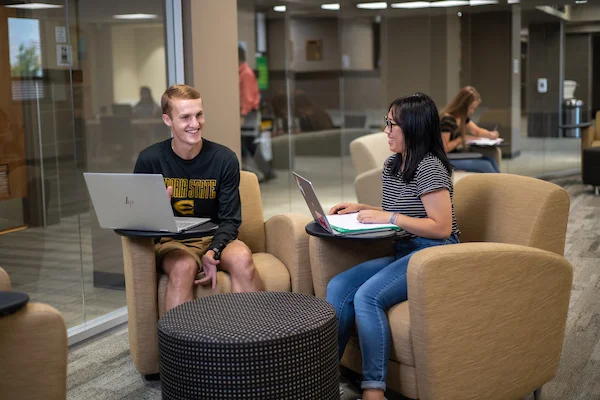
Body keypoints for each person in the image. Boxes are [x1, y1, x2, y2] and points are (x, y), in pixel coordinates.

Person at [326, 93, 460, 400]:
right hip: (405, 250)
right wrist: (362, 208)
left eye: (391, 124)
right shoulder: (393, 164)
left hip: (434, 253)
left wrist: (389, 216)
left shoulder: (429, 167)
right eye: (386, 123)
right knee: (339, 286)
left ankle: (374, 390)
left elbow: (440, 226)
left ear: (412, 127)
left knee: (367, 297)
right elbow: (403, 212)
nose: (386, 130)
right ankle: (324, 373)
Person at [133, 84, 264, 312]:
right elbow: (135, 222)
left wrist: (213, 251)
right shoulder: (150, 160)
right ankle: (177, 347)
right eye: (185, 117)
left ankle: (253, 342)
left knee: (242, 258)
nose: (195, 124)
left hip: (215, 236)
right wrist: (154, 212)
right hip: (173, 242)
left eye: (199, 115)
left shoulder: (224, 159)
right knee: (183, 267)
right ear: (167, 120)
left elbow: (230, 219)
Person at [440, 86, 501, 173]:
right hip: (447, 159)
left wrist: (490, 134)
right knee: (485, 165)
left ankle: (501, 184)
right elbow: (444, 148)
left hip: (454, 155)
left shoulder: (461, 117)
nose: (472, 111)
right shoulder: (447, 120)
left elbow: (476, 131)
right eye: (471, 107)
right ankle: (499, 185)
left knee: (490, 160)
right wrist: (461, 139)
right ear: (463, 105)